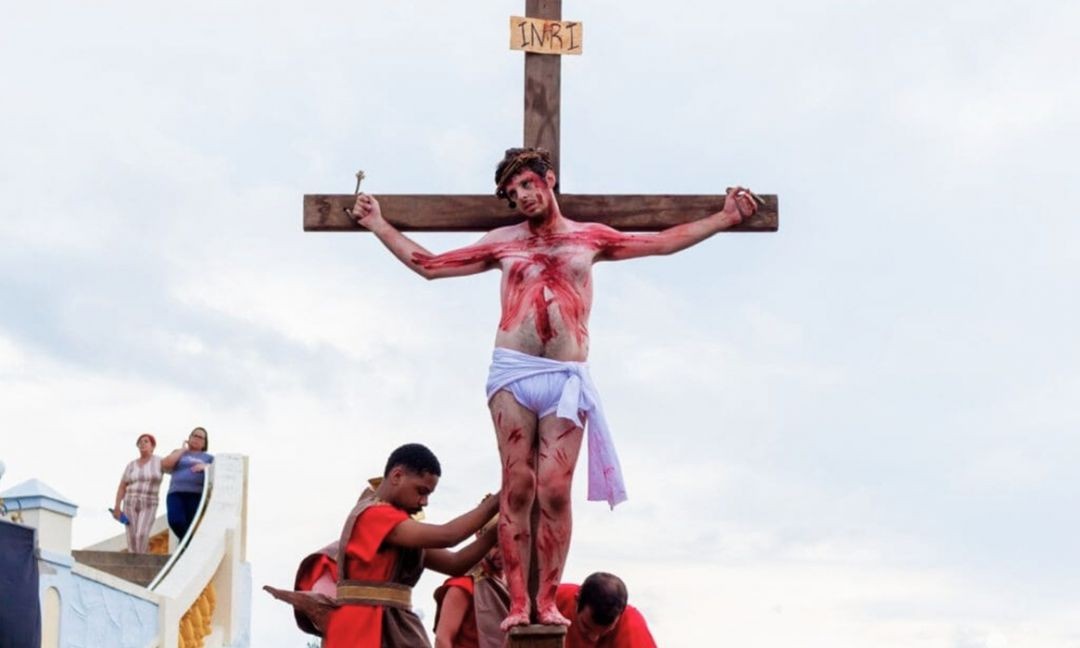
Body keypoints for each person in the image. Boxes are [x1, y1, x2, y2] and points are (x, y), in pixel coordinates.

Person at [350, 147, 759, 627]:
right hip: (513, 372)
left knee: (555, 491)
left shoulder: (589, 238)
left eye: (528, 184)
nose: (522, 196)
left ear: (549, 180)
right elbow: (431, 264)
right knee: (518, 487)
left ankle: (545, 600)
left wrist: (725, 218)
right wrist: (378, 225)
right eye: (512, 192)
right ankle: (519, 602)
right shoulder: (504, 242)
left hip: (566, 377)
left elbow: (661, 241)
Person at [265, 443, 500, 647]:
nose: (424, 502)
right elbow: (447, 535)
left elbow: (455, 563)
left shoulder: (403, 529)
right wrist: (499, 501)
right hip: (363, 629)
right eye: (421, 491)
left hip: (395, 626)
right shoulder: (373, 515)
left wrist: (495, 532)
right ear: (397, 476)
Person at [433, 519, 509, 648]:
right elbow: (442, 640)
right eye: (496, 546)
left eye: (508, 546)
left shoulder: (516, 585)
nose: (502, 553)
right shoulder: (464, 584)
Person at [556, 572, 656, 648]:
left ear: (620, 614)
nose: (593, 638)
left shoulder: (632, 627)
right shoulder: (552, 603)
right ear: (577, 600)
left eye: (604, 633)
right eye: (586, 626)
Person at [112, 433, 163, 553]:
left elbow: (173, 465)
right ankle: (134, 562)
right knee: (132, 537)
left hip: (149, 503)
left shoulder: (159, 462)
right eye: (140, 442)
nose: (142, 444)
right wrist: (117, 506)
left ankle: (143, 559)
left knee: (141, 534)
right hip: (130, 502)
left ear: (153, 446)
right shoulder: (131, 465)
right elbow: (122, 486)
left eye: (146, 441)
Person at [161, 426, 214, 540]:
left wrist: (206, 466)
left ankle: (185, 549)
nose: (196, 438)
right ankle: (191, 544)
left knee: (188, 525)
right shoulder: (179, 453)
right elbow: (165, 464)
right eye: (194, 435)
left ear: (204, 443)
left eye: (200, 437)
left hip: (196, 495)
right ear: (189, 438)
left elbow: (218, 469)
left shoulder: (208, 458)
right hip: (176, 493)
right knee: (175, 521)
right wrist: (183, 450)